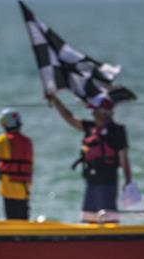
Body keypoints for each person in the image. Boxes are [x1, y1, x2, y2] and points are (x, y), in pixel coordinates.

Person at [46, 92, 133, 223]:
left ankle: (112, 241)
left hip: (108, 182)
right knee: (88, 219)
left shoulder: (117, 131)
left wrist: (128, 182)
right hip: (91, 183)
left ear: (105, 113)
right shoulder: (90, 128)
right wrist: (55, 100)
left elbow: (124, 159)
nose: (93, 115)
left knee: (108, 219)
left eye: (95, 112)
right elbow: (70, 118)